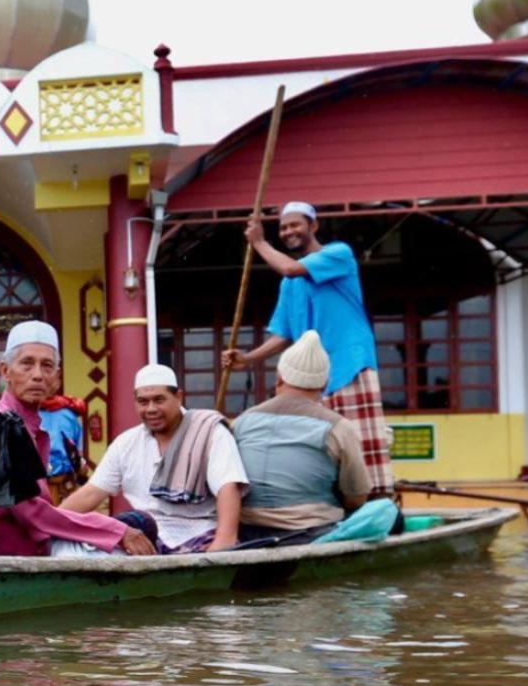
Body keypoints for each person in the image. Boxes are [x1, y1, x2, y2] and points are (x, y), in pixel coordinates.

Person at [222, 201, 393, 499]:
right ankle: (335, 505)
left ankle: (378, 503)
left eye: (295, 224)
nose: (289, 232)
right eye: (284, 228)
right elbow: (284, 334)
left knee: (361, 443)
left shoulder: (337, 254)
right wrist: (247, 358)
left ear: (313, 226)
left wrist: (259, 242)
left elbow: (288, 267)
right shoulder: (290, 285)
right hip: (310, 379)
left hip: (347, 365)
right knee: (319, 445)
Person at [0, 322, 157, 557]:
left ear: (57, 376)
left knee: (140, 523)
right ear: (5, 371)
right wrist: (115, 531)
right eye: (26, 364)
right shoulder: (4, 428)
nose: (37, 375)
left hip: (34, 537)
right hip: (17, 553)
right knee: (129, 540)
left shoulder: (29, 423)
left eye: (46, 366)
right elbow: (34, 514)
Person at [63, 363, 246, 552]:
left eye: (159, 400)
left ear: (179, 397)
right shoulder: (127, 442)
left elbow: (228, 486)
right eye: (143, 402)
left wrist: (224, 542)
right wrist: (51, 521)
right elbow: (92, 492)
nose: (151, 409)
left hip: (200, 532)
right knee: (109, 531)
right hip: (145, 534)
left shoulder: (210, 432)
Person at [232, 330, 371, 540]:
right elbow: (356, 497)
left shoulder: (242, 421)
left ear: (279, 379)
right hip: (310, 531)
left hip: (245, 531)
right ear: (324, 385)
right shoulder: (339, 427)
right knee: (388, 512)